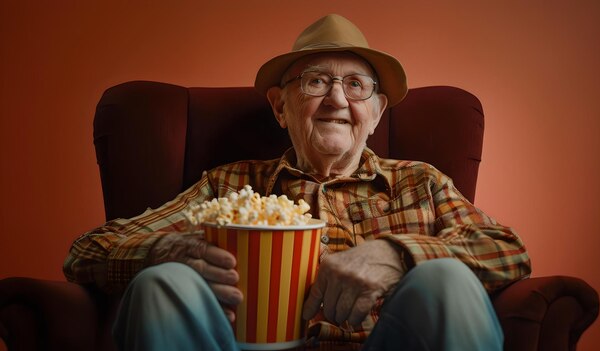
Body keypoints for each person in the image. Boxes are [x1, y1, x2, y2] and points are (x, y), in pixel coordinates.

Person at [64, 14, 531, 351]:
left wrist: (399, 254)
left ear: (376, 114)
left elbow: (507, 248)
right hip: (244, 344)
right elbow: (88, 250)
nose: (336, 98)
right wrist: (163, 251)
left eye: (355, 85)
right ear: (280, 107)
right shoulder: (229, 187)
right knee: (160, 283)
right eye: (314, 82)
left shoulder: (419, 183)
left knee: (447, 278)